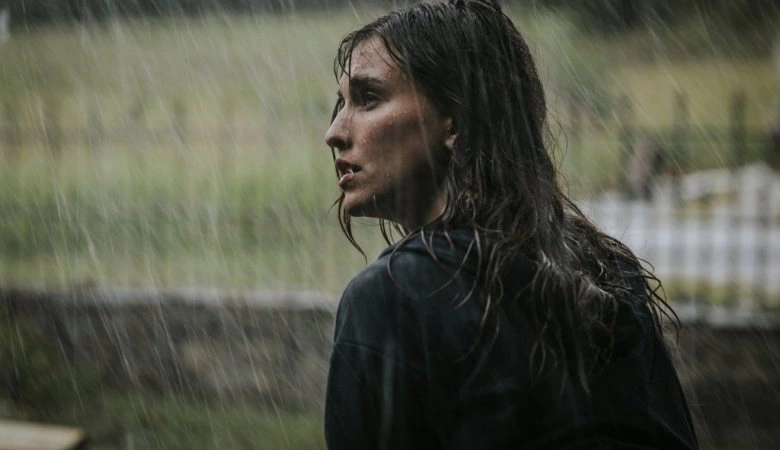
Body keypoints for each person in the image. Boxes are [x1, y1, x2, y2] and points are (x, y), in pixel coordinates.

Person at [323, 1, 699, 449]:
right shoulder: (606, 271)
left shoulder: (393, 295)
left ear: (454, 120)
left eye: (368, 98)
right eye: (341, 104)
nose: (334, 132)